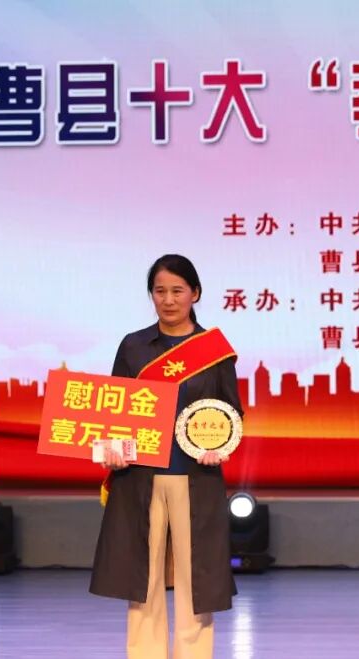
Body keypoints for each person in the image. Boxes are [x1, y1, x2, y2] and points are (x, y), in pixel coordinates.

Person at [90, 254, 241, 659]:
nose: (169, 300)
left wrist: (220, 446)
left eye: (177, 291)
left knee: (197, 580)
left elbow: (231, 412)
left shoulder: (214, 350)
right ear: (151, 296)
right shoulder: (133, 346)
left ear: (195, 294)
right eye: (160, 291)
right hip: (140, 476)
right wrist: (112, 449)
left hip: (197, 477)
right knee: (144, 578)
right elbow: (116, 410)